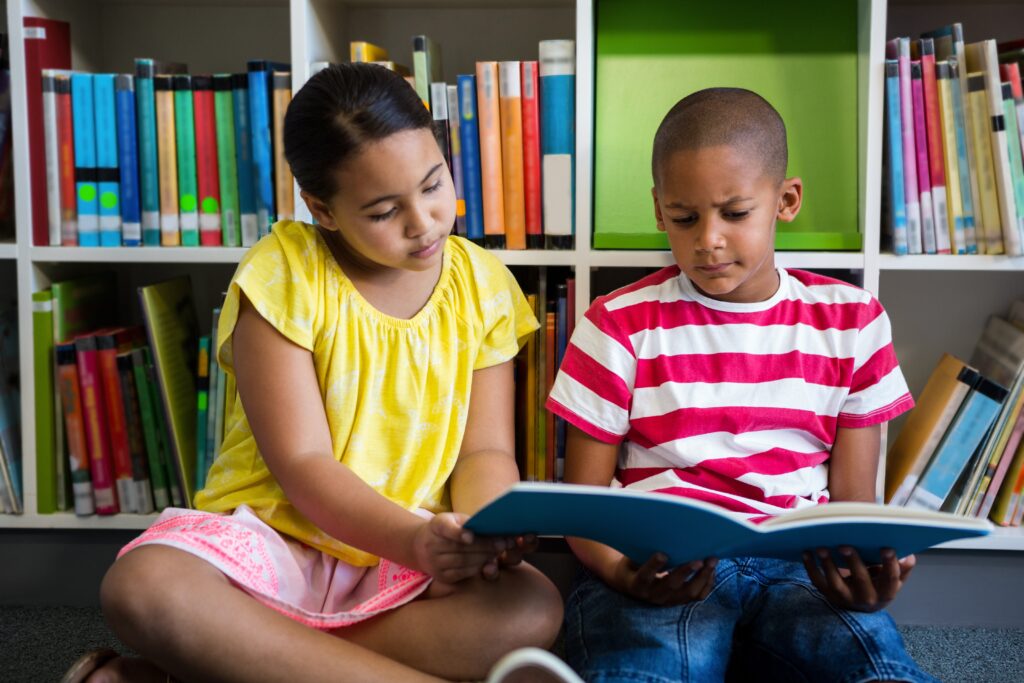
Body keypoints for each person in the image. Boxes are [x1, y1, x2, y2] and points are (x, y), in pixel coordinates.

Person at [77, 63, 569, 683]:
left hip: (407, 553)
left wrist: (481, 529)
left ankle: (234, 661)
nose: (423, 223)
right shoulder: (283, 272)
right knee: (143, 586)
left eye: (434, 184)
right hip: (276, 544)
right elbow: (304, 466)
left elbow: (486, 451)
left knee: (530, 607)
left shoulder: (483, 285)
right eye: (385, 211)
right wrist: (412, 543)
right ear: (323, 209)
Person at [548, 88, 937, 682]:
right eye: (684, 217)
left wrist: (866, 578)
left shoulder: (853, 321)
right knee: (650, 671)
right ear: (659, 211)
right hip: (662, 562)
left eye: (734, 213)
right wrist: (624, 574)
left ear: (786, 200)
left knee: (877, 671)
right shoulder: (617, 322)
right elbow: (584, 506)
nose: (708, 239)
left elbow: (855, 504)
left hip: (799, 568)